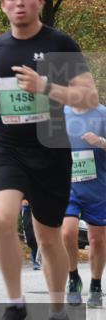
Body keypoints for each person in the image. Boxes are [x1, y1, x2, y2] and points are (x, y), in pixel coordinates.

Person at [0, 0, 98, 320]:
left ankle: (58, 315)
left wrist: (45, 85)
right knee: (0, 217)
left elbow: (89, 97)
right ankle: (15, 306)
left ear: (39, 1)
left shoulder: (60, 43)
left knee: (48, 238)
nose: (20, 3)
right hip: (8, 148)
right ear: (2, 6)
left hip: (52, 149)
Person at [62, 103, 106, 308]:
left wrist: (100, 142)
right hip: (68, 184)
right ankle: (73, 278)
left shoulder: (102, 113)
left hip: (97, 186)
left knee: (97, 239)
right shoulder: (60, 114)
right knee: (67, 233)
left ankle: (96, 285)